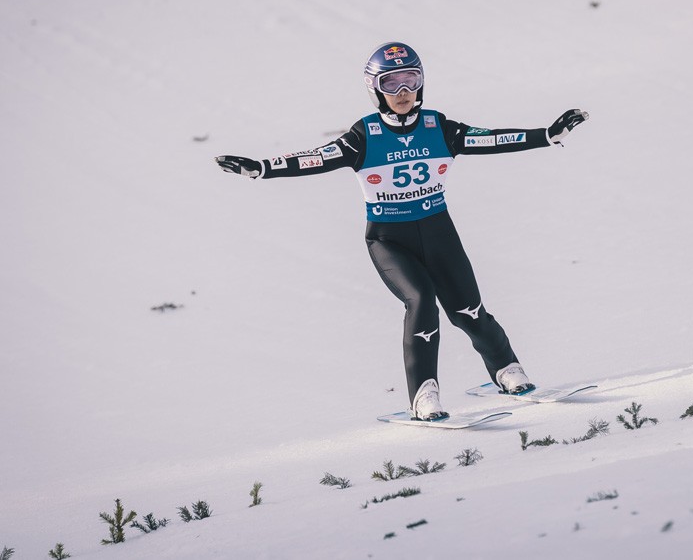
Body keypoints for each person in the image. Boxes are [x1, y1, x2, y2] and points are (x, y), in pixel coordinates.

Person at [216, 42, 588, 421]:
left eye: (411, 79)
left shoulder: (438, 127)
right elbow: (317, 157)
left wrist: (547, 134)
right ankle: (424, 395)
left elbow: (490, 138)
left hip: (438, 232)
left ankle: (506, 369)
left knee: (469, 310)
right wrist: (262, 167)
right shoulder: (364, 135)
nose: (403, 91)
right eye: (391, 83)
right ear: (375, 89)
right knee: (421, 300)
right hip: (389, 240)